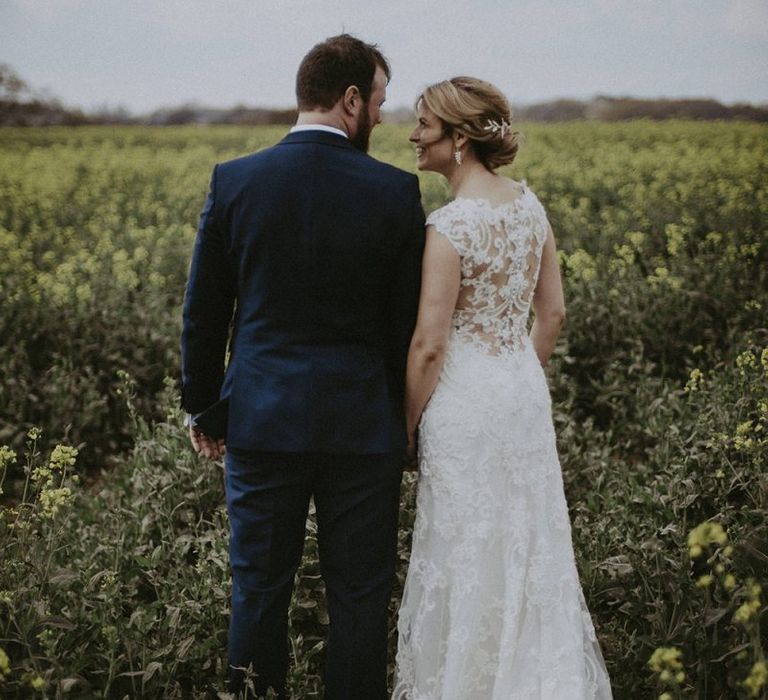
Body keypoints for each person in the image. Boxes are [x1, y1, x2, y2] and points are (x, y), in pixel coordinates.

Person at [180, 34, 425, 699]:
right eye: (377, 102)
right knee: (357, 598)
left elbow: (204, 312)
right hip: (363, 428)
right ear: (351, 100)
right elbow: (406, 328)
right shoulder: (397, 192)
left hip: (261, 421)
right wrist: (408, 424)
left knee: (257, 588)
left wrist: (203, 406)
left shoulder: (236, 181)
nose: (381, 116)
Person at [392, 77, 612, 699]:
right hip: (518, 396)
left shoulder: (450, 225)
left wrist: (405, 425)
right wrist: (516, 369)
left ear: (459, 139)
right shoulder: (529, 206)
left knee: (466, 547)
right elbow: (553, 315)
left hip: (463, 404)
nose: (412, 135)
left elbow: (430, 345)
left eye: (424, 125)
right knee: (527, 540)